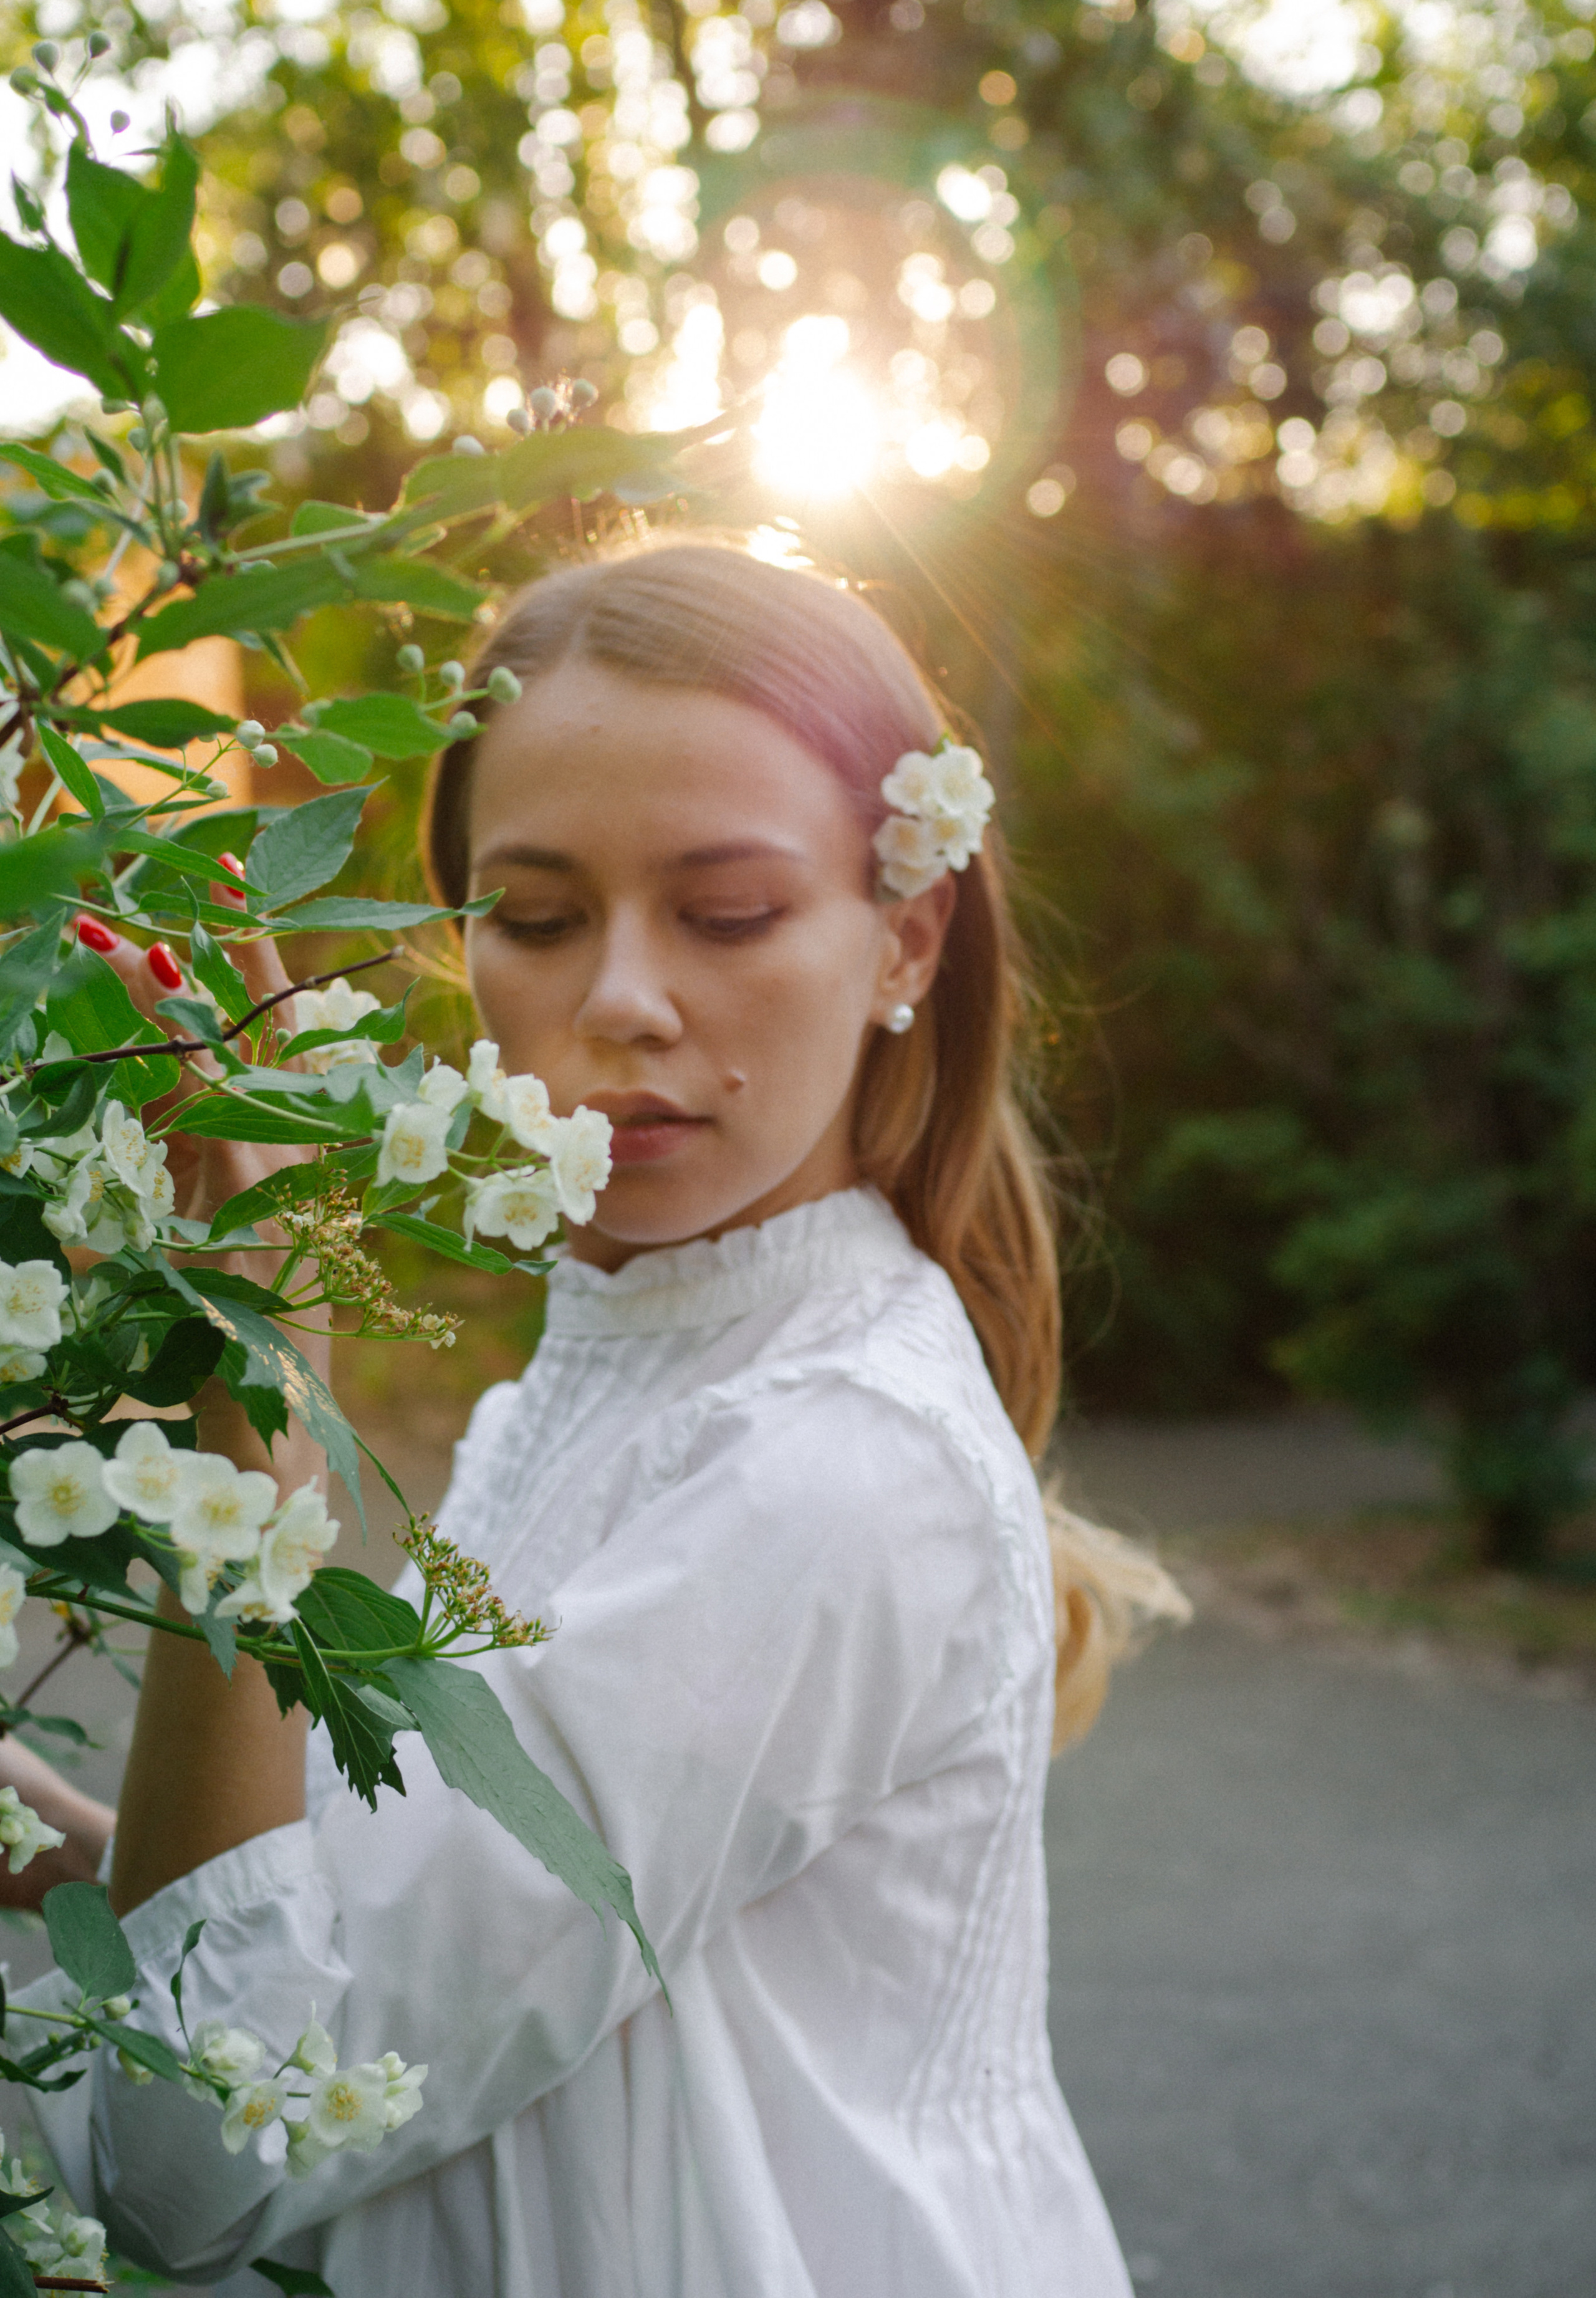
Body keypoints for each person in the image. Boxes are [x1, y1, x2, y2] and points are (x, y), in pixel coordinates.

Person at [8, 538, 1185, 2296]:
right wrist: (89, 1858)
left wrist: (254, 1395)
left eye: (726, 913)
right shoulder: (623, 1358)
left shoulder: (833, 1470)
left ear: (905, 935)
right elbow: (428, 1920)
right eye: (538, 918)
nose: (622, 999)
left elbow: (207, 2150)